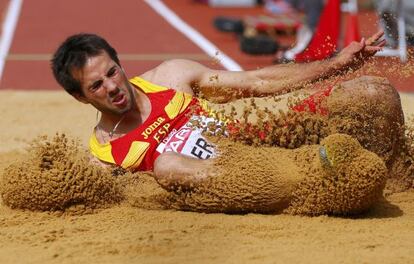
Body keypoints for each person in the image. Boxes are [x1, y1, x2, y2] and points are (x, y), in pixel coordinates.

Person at [51, 30, 402, 190]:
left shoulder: (171, 76)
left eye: (112, 72)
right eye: (96, 86)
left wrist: (337, 63)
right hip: (253, 180)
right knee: (167, 164)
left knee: (374, 91)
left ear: (119, 63)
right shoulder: (103, 156)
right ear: (81, 98)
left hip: (270, 140)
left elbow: (258, 82)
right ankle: (312, 183)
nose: (112, 87)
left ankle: (395, 180)